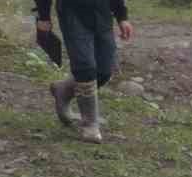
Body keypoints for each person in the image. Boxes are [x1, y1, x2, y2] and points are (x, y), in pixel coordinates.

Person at [37, 0, 134, 144]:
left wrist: (122, 17)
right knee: (84, 66)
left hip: (102, 11)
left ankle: (64, 90)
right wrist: (44, 16)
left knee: (104, 70)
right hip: (72, 12)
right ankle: (90, 124)